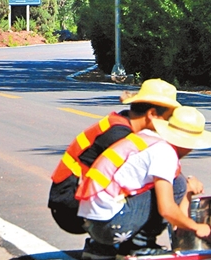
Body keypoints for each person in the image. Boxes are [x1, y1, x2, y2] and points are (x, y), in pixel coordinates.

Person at [76, 105, 211, 260]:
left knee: (176, 183)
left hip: (94, 224)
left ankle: (101, 247)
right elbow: (167, 209)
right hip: (110, 226)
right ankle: (141, 245)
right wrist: (195, 227)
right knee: (178, 184)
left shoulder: (147, 138)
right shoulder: (165, 152)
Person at [48, 79, 181, 245]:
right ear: (152, 114)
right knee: (172, 185)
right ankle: (138, 244)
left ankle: (102, 246)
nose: (167, 125)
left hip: (70, 201)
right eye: (167, 118)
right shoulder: (120, 136)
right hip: (70, 206)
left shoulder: (122, 123)